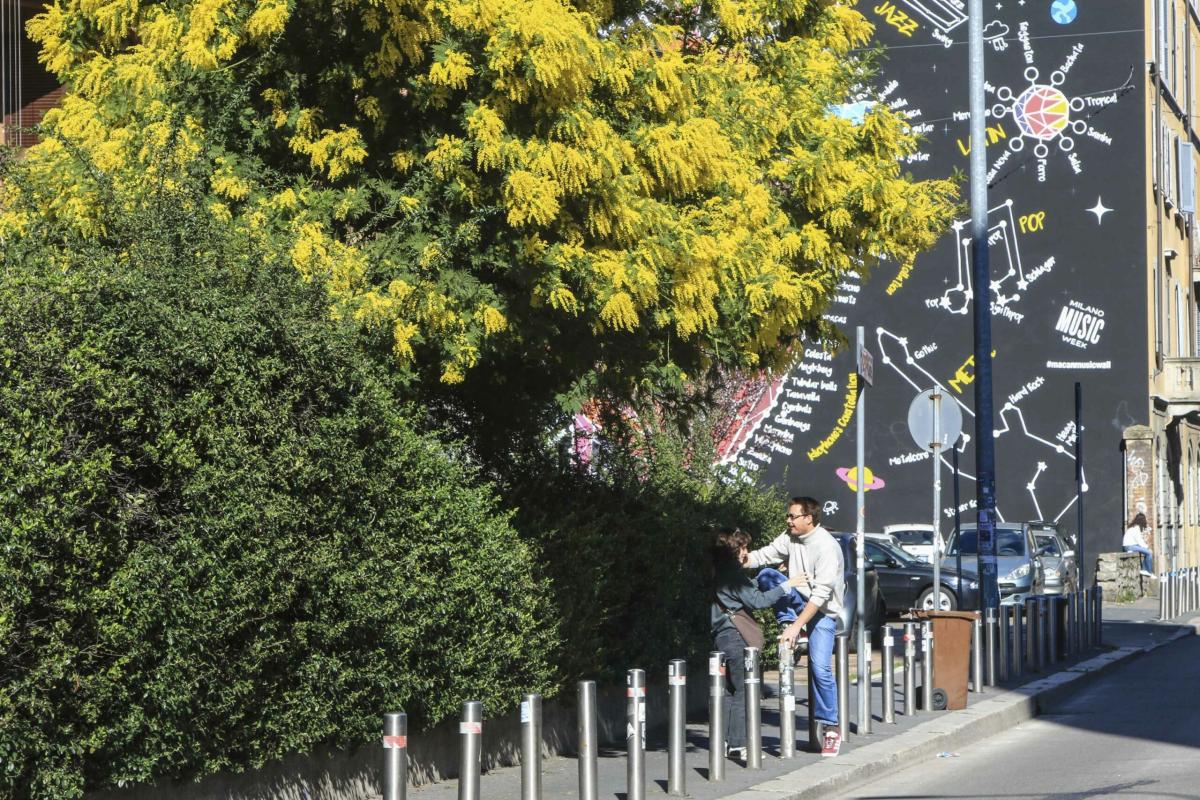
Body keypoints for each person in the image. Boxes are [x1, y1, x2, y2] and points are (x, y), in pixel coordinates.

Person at [743, 496, 846, 757]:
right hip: (799, 601)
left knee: (820, 668)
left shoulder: (827, 548)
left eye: (792, 516)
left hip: (821, 613)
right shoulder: (790, 537)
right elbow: (766, 555)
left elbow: (821, 595)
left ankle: (832, 728)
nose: (788, 521)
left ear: (808, 518)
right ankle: (788, 621)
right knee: (767, 575)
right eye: (788, 516)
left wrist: (798, 626)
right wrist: (741, 559)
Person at [711, 528, 804, 762]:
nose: (747, 552)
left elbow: (743, 593)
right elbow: (758, 601)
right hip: (735, 636)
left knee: (730, 691)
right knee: (745, 690)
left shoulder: (721, 573)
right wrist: (787, 584)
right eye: (744, 548)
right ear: (736, 551)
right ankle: (741, 744)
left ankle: (725, 741)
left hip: (721, 636)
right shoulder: (733, 575)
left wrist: (763, 579)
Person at [1123, 512, 1155, 578]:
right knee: (1149, 553)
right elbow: (1139, 541)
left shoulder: (1134, 527)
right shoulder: (1135, 528)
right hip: (1129, 546)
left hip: (1131, 545)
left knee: (1147, 552)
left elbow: (1139, 542)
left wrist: (1145, 548)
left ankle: (1144, 569)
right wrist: (1147, 548)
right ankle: (1149, 571)